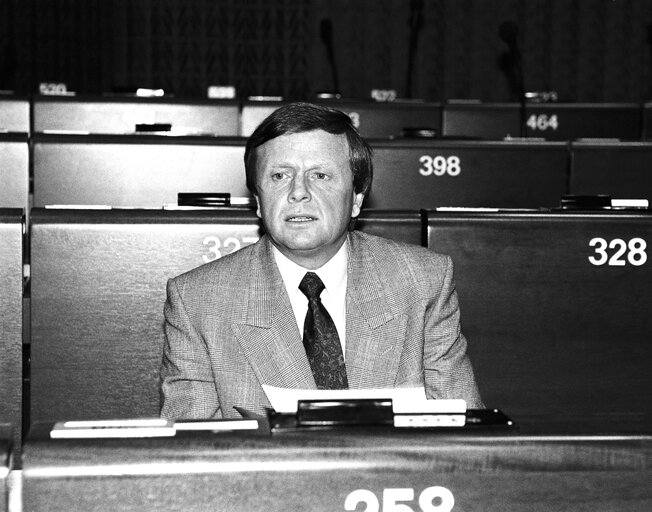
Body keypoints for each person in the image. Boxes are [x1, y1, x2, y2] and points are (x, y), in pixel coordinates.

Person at [160, 102, 482, 419]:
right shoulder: (197, 302)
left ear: (356, 199)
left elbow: (465, 441)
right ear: (257, 201)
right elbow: (194, 458)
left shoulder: (424, 283)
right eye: (279, 176)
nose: (298, 192)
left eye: (321, 175)